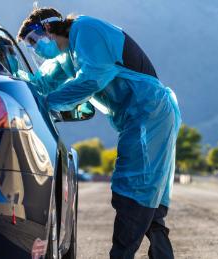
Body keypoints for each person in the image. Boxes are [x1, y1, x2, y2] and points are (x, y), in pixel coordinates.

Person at [18, 7, 181, 259]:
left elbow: (91, 81)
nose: (35, 48)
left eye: (32, 40)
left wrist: (47, 103)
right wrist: (14, 81)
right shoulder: (68, 55)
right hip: (139, 117)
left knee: (132, 189)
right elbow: (42, 83)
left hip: (149, 114)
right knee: (148, 193)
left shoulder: (86, 30)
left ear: (47, 28)